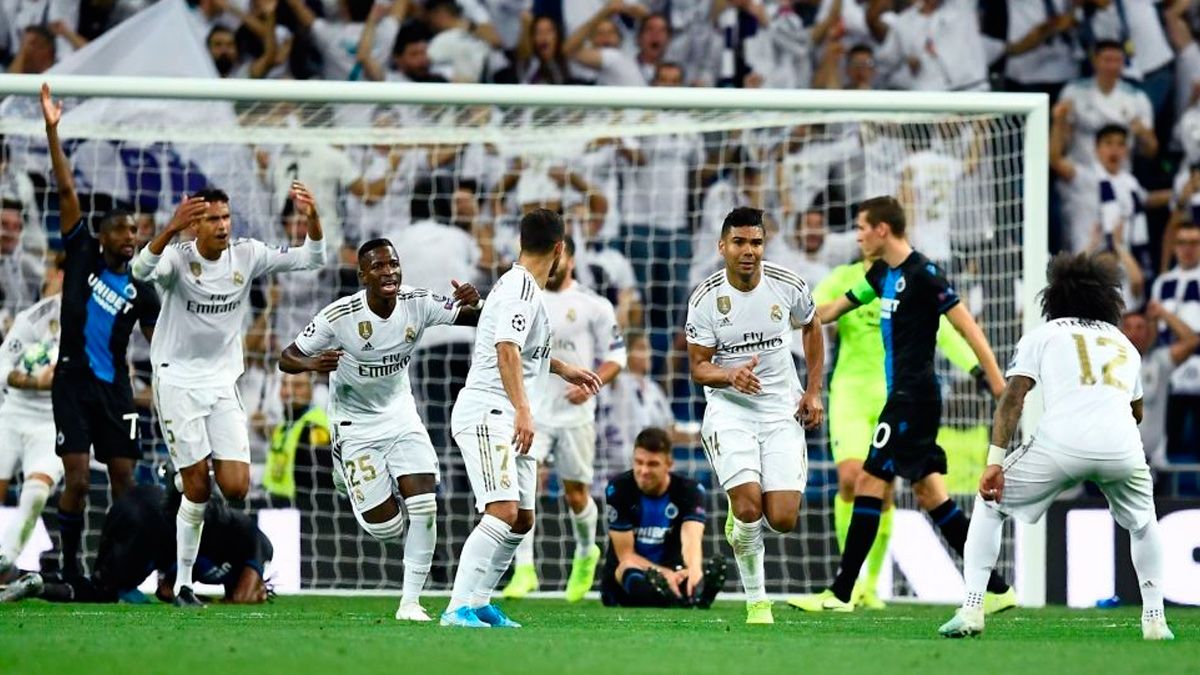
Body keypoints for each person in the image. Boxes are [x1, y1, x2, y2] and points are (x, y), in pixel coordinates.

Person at [791, 195, 1012, 613]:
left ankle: (841, 593)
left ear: (882, 229)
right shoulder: (880, 275)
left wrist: (998, 384)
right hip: (904, 398)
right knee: (932, 496)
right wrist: (787, 312)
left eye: (861, 227)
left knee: (869, 482)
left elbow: (967, 328)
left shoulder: (925, 273)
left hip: (915, 397)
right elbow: (833, 309)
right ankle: (998, 588)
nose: (856, 236)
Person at [939, 253, 1173, 641]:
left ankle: (972, 609)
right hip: (1122, 448)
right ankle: (1155, 620)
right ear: (1107, 299)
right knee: (1144, 524)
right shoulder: (1124, 344)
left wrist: (995, 461)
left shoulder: (1043, 335)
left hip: (1061, 445)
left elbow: (1013, 399)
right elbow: (1137, 412)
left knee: (991, 502)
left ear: (1054, 296)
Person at [131, 184, 326, 607]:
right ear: (195, 224)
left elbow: (312, 257)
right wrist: (169, 229)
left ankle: (186, 474)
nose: (222, 226)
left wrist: (313, 220)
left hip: (221, 383)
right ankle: (183, 582)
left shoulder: (247, 254)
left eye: (225, 218)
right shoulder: (178, 261)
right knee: (198, 486)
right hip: (177, 379)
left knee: (236, 487)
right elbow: (140, 272)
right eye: (212, 219)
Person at [280, 238, 482, 621]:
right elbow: (286, 358)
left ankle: (410, 603)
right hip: (354, 424)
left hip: (400, 415)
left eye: (393, 264)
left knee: (424, 505)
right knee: (387, 528)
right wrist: (313, 365)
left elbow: (474, 317)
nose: (388, 271)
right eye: (378, 266)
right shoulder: (339, 316)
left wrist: (477, 301)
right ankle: (344, 472)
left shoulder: (417, 302)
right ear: (363, 275)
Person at [442, 209, 602, 629]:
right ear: (559, 249)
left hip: (508, 415)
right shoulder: (522, 291)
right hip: (490, 412)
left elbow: (527, 350)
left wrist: (565, 369)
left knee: (523, 518)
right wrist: (525, 411)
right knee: (501, 510)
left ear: (519, 243)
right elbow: (507, 349)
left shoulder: (514, 284)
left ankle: (479, 602)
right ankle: (456, 608)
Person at [41, 83, 163, 581]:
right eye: (122, 231)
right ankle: (71, 568)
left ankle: (119, 572)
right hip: (71, 382)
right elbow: (67, 191)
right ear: (103, 236)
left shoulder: (141, 284)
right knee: (75, 479)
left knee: (125, 482)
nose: (130, 237)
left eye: (135, 231)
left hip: (116, 390)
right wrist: (53, 130)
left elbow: (160, 342)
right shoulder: (83, 255)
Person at [684, 206, 825, 625]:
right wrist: (730, 376)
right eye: (741, 243)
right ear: (723, 246)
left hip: (781, 408)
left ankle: (741, 519)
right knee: (749, 509)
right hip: (730, 410)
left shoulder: (787, 285)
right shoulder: (706, 298)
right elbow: (697, 366)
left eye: (757, 242)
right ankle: (757, 602)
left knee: (781, 518)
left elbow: (813, 327)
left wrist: (813, 391)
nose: (749, 251)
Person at [502, 236, 626, 601]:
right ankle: (524, 569)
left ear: (568, 259)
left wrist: (593, 384)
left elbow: (616, 356)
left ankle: (587, 552)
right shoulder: (524, 299)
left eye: (558, 259)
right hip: (531, 411)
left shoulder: (593, 305)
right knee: (524, 489)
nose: (552, 266)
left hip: (574, 413)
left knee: (576, 495)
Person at [0, 482, 273, 606]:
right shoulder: (253, 540)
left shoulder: (203, 556)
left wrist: (203, 598)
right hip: (151, 522)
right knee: (101, 592)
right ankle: (37, 585)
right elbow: (242, 598)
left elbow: (167, 590)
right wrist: (223, 601)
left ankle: (19, 575)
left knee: (98, 581)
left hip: (136, 503)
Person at [601, 427, 724, 609]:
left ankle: (689, 592)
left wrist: (693, 570)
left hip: (673, 572)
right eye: (639, 462)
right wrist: (663, 574)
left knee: (688, 574)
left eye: (652, 464)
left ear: (669, 464)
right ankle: (686, 599)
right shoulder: (619, 489)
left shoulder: (690, 491)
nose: (643, 470)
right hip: (627, 579)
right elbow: (625, 554)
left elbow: (691, 540)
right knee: (626, 567)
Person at [0, 292, 61, 577]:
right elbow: (2, 366)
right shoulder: (32, 318)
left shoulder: (95, 318)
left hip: (53, 421)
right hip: (12, 413)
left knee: (37, 494)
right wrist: (33, 382)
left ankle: (4, 563)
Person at [1121, 302, 1199, 468]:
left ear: (1149, 333)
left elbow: (1192, 341)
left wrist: (1163, 313)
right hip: (1114, 463)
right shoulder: (1105, 363)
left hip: (1152, 464)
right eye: (1128, 327)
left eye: (1140, 327)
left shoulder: (1159, 361)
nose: (1133, 333)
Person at [261, 372, 332, 502]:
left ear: (311, 389)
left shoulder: (315, 427)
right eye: (284, 384)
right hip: (275, 503)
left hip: (301, 507)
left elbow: (321, 480)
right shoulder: (285, 425)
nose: (289, 392)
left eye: (297, 385)